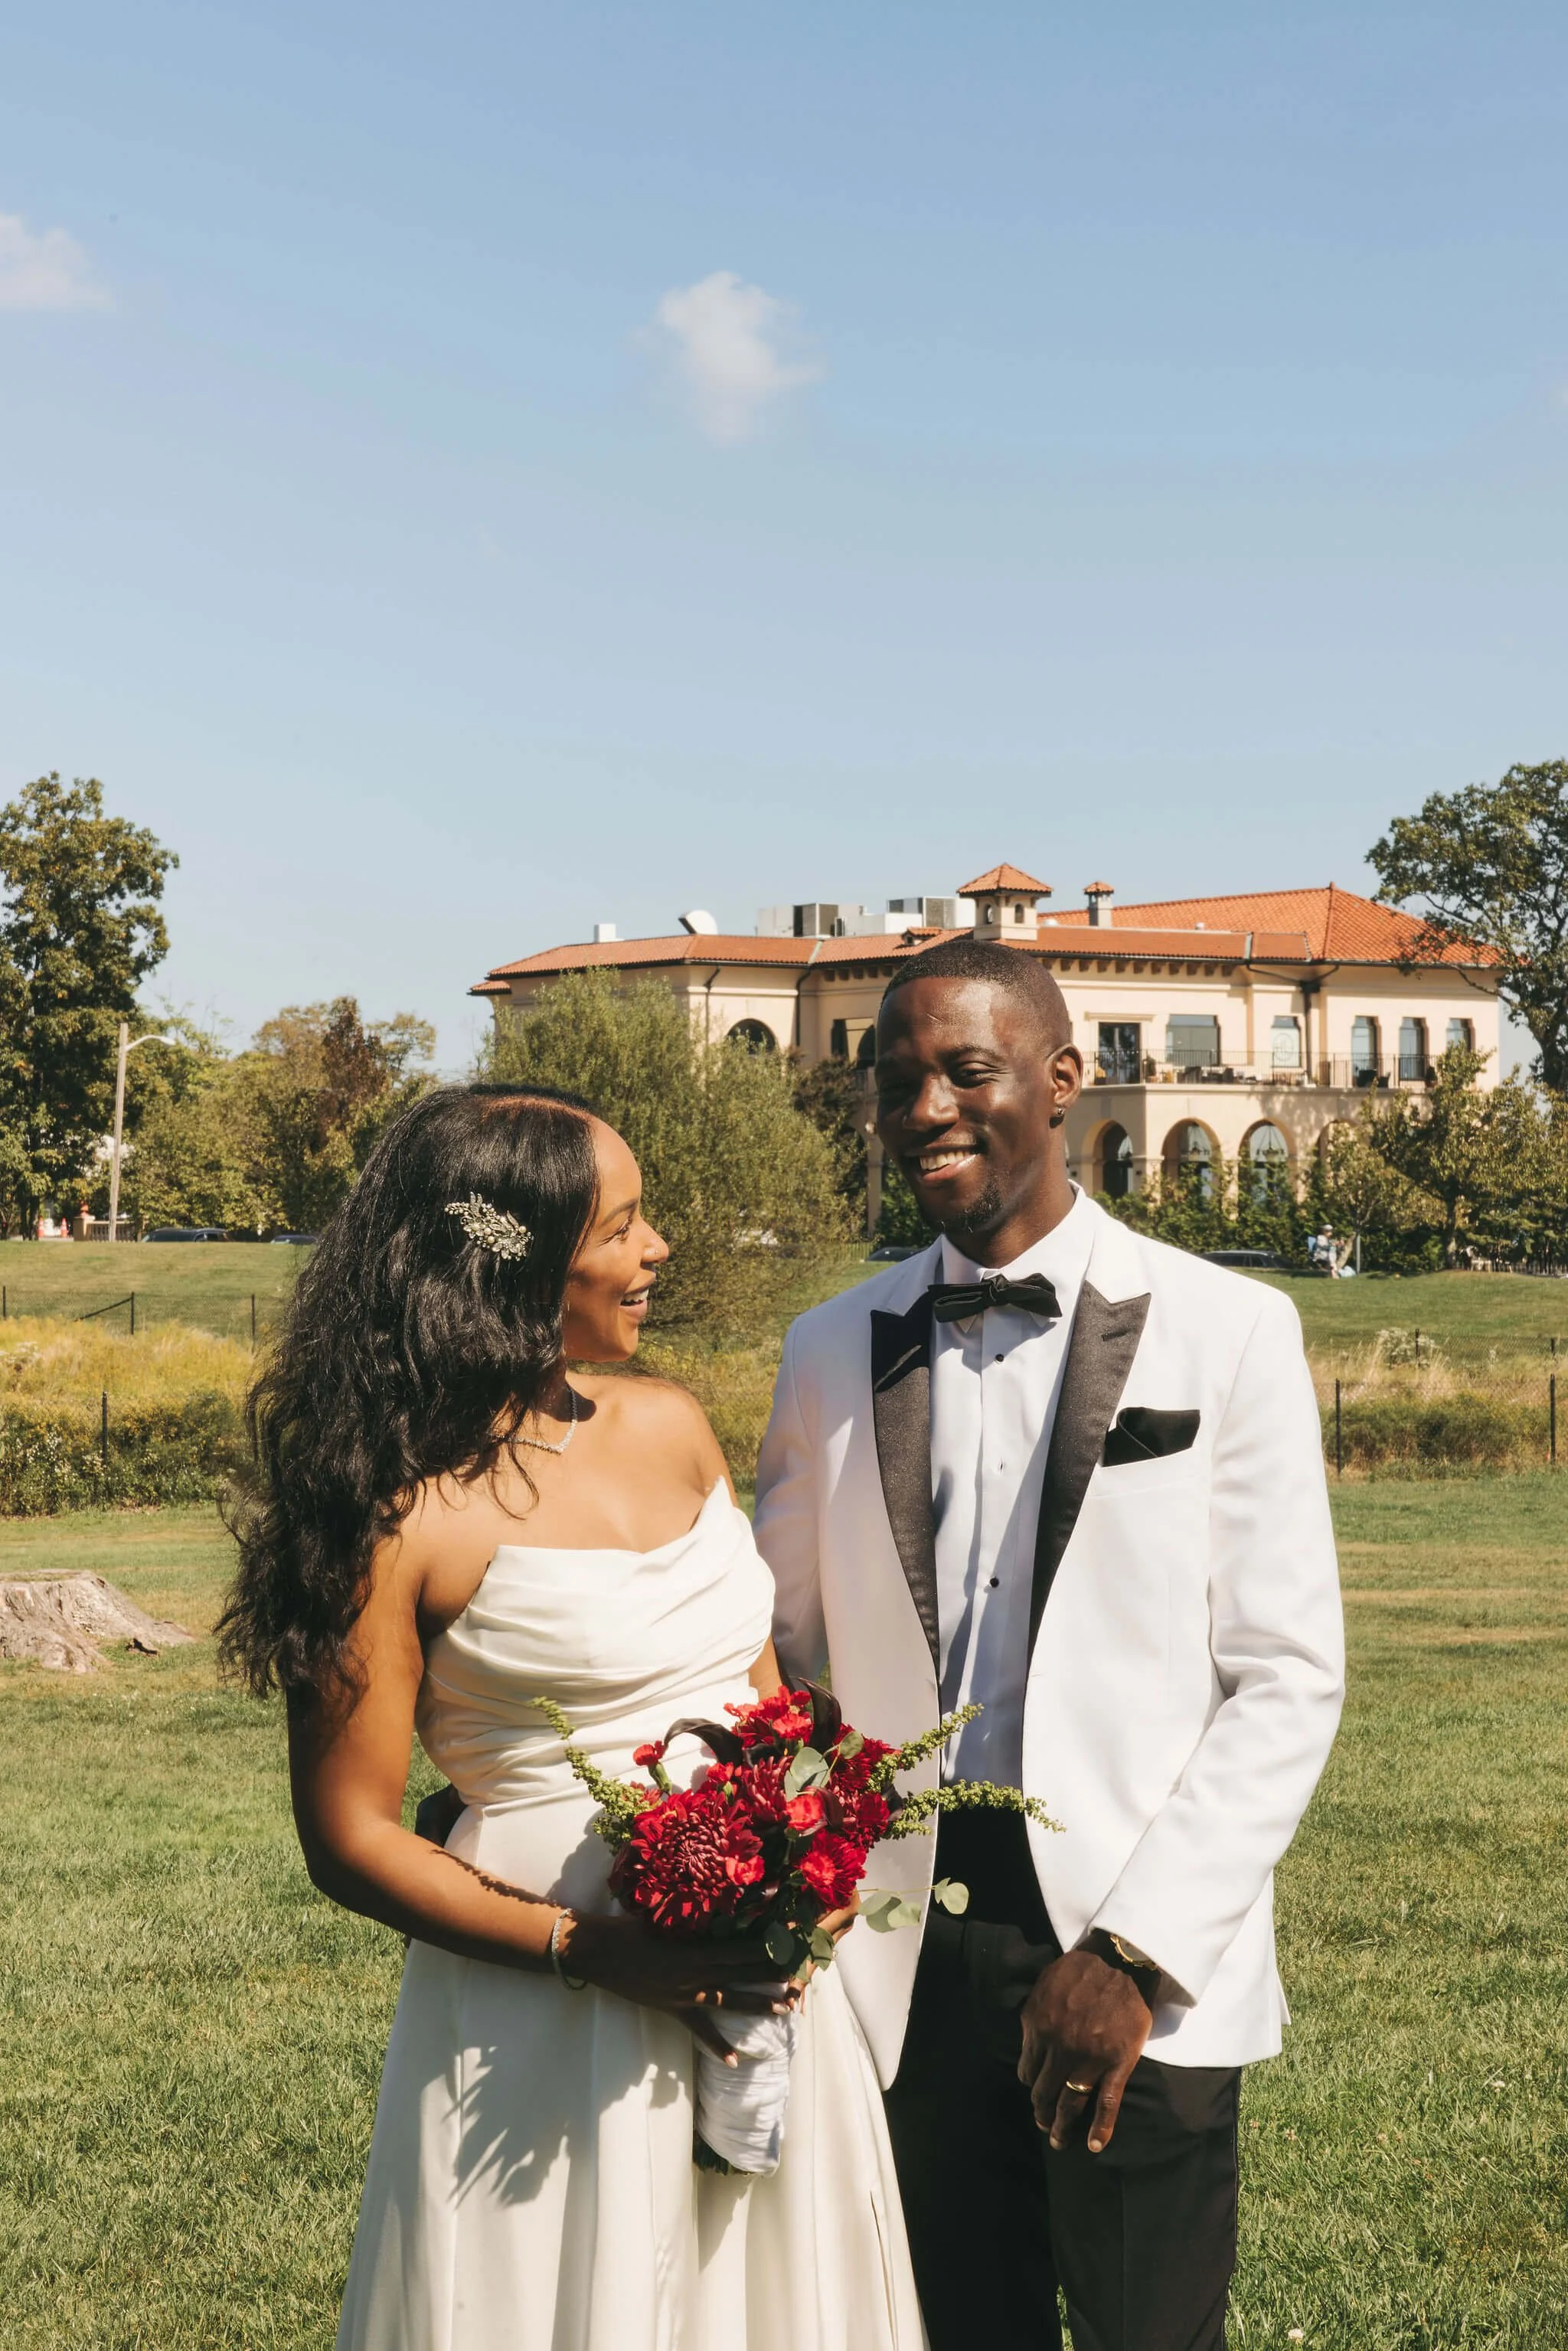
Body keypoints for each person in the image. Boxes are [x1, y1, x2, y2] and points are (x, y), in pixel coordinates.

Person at [220, 1083, 923, 2351]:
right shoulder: (392, 1509)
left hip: (765, 1988)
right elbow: (349, 1834)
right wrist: (588, 1950)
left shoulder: (670, 1422)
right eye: (624, 1228)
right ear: (516, 1261)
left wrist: (810, 1861)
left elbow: (765, 1708)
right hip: (538, 2013)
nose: (657, 1252)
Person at [755, 939, 1344, 2351]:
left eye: (967, 1069)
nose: (926, 1109)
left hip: (1140, 1949)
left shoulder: (1232, 1329)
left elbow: (1288, 1676)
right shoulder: (830, 1348)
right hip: (897, 1956)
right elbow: (776, 1655)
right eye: (898, 1082)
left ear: (1066, 1080)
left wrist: (1132, 1953)